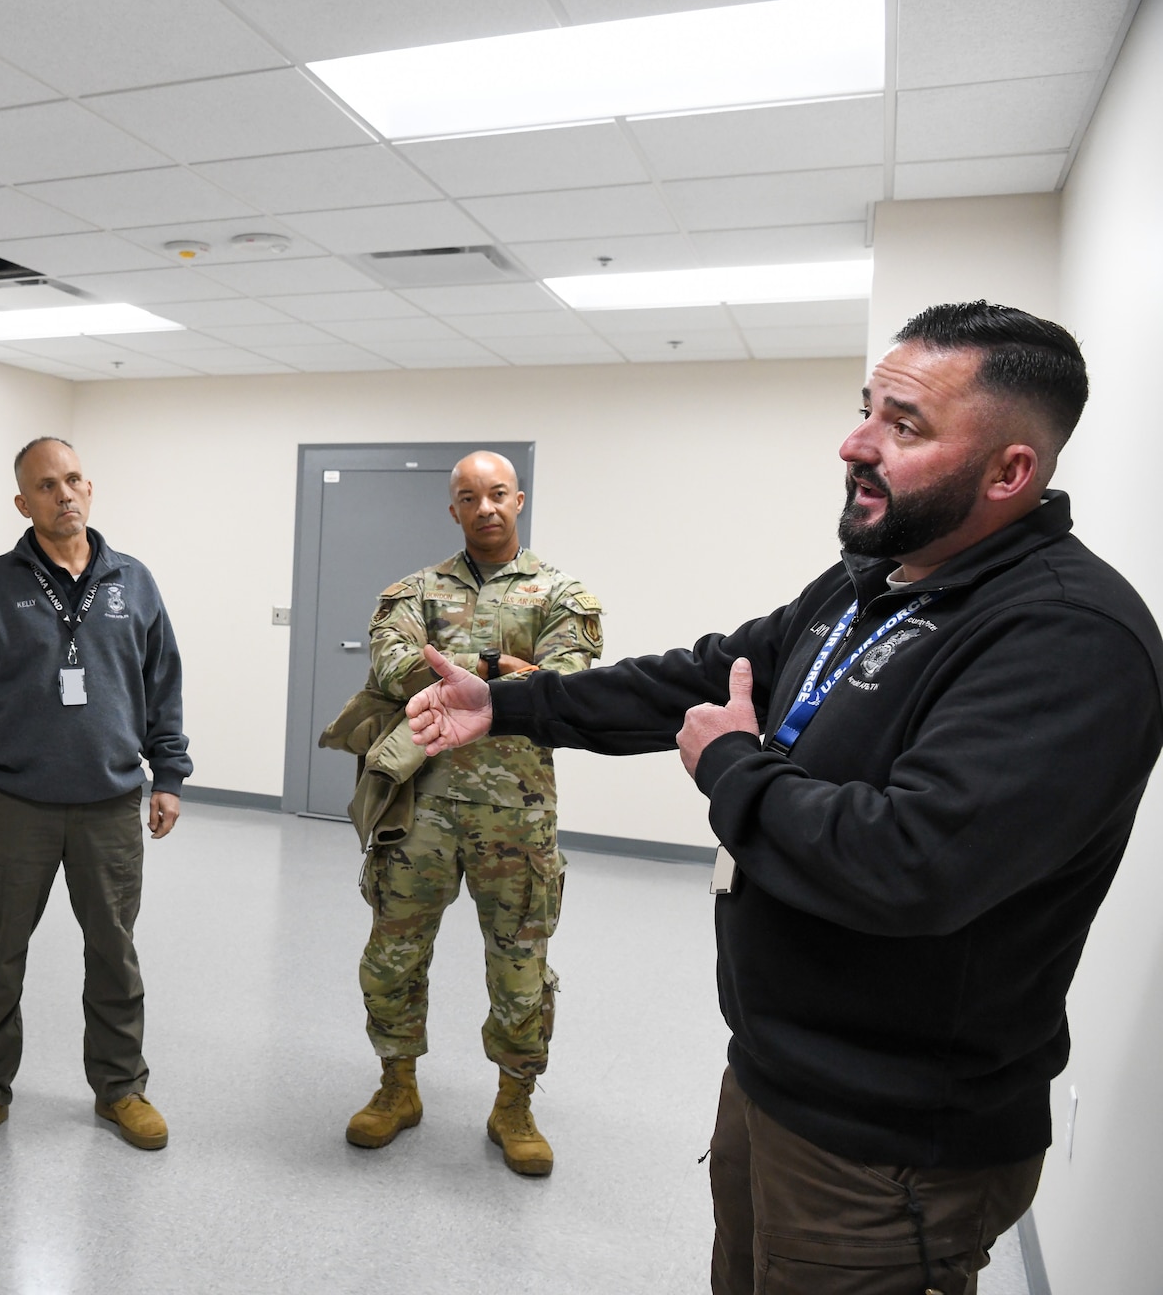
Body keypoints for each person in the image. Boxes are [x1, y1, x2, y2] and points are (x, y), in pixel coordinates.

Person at [406, 303, 1162, 1293]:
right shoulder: (874, 580)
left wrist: (730, 769)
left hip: (890, 1147)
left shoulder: (1065, 638)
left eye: (904, 426)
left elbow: (907, 864)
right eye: (864, 412)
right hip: (774, 1076)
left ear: (1007, 472)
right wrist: (506, 703)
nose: (854, 445)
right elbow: (710, 676)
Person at [0, 436, 191, 1157]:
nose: (63, 494)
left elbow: (162, 686)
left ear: (90, 488)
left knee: (114, 951)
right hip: (14, 805)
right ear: (23, 502)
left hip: (109, 805)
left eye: (73, 479)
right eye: (46, 485)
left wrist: (168, 775)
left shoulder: (132, 583)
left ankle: (120, 1089)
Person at [340, 452, 602, 1172]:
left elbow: (570, 684)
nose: (484, 507)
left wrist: (459, 664)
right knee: (392, 957)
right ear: (451, 509)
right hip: (419, 806)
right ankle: (397, 1087)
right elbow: (391, 669)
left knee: (521, 966)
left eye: (496, 494)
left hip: (514, 814)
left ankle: (514, 1104)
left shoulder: (560, 592)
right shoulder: (413, 589)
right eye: (467, 497)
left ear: (518, 500)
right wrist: (504, 667)